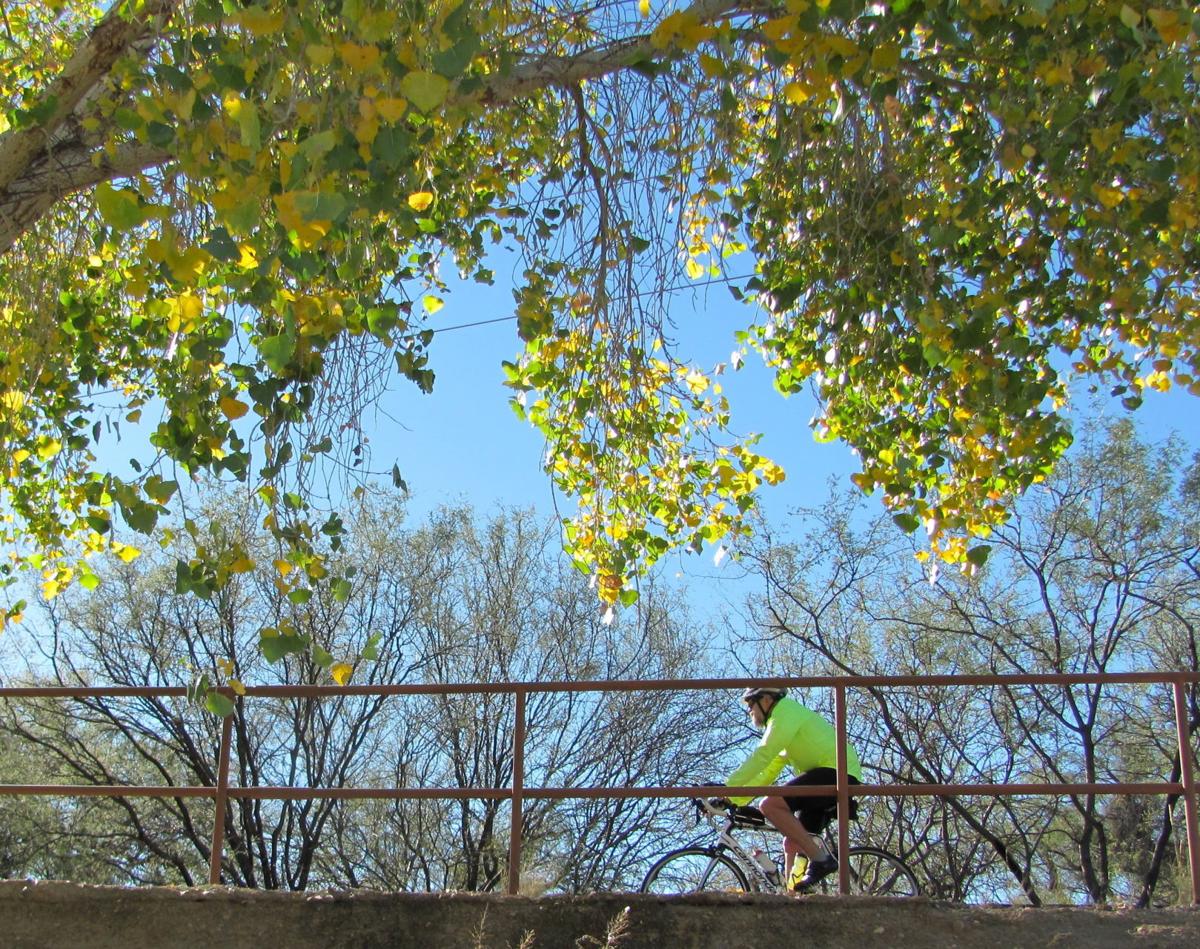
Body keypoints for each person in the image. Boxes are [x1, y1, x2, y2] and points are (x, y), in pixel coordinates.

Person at [721, 686, 862, 892]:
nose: (749, 710)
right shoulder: (785, 726)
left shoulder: (785, 711)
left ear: (766, 699)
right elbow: (767, 773)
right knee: (792, 843)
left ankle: (822, 861)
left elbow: (764, 753)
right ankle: (795, 895)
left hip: (838, 772)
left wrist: (725, 787)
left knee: (770, 805)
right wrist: (731, 799)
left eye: (751, 703)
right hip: (830, 774)